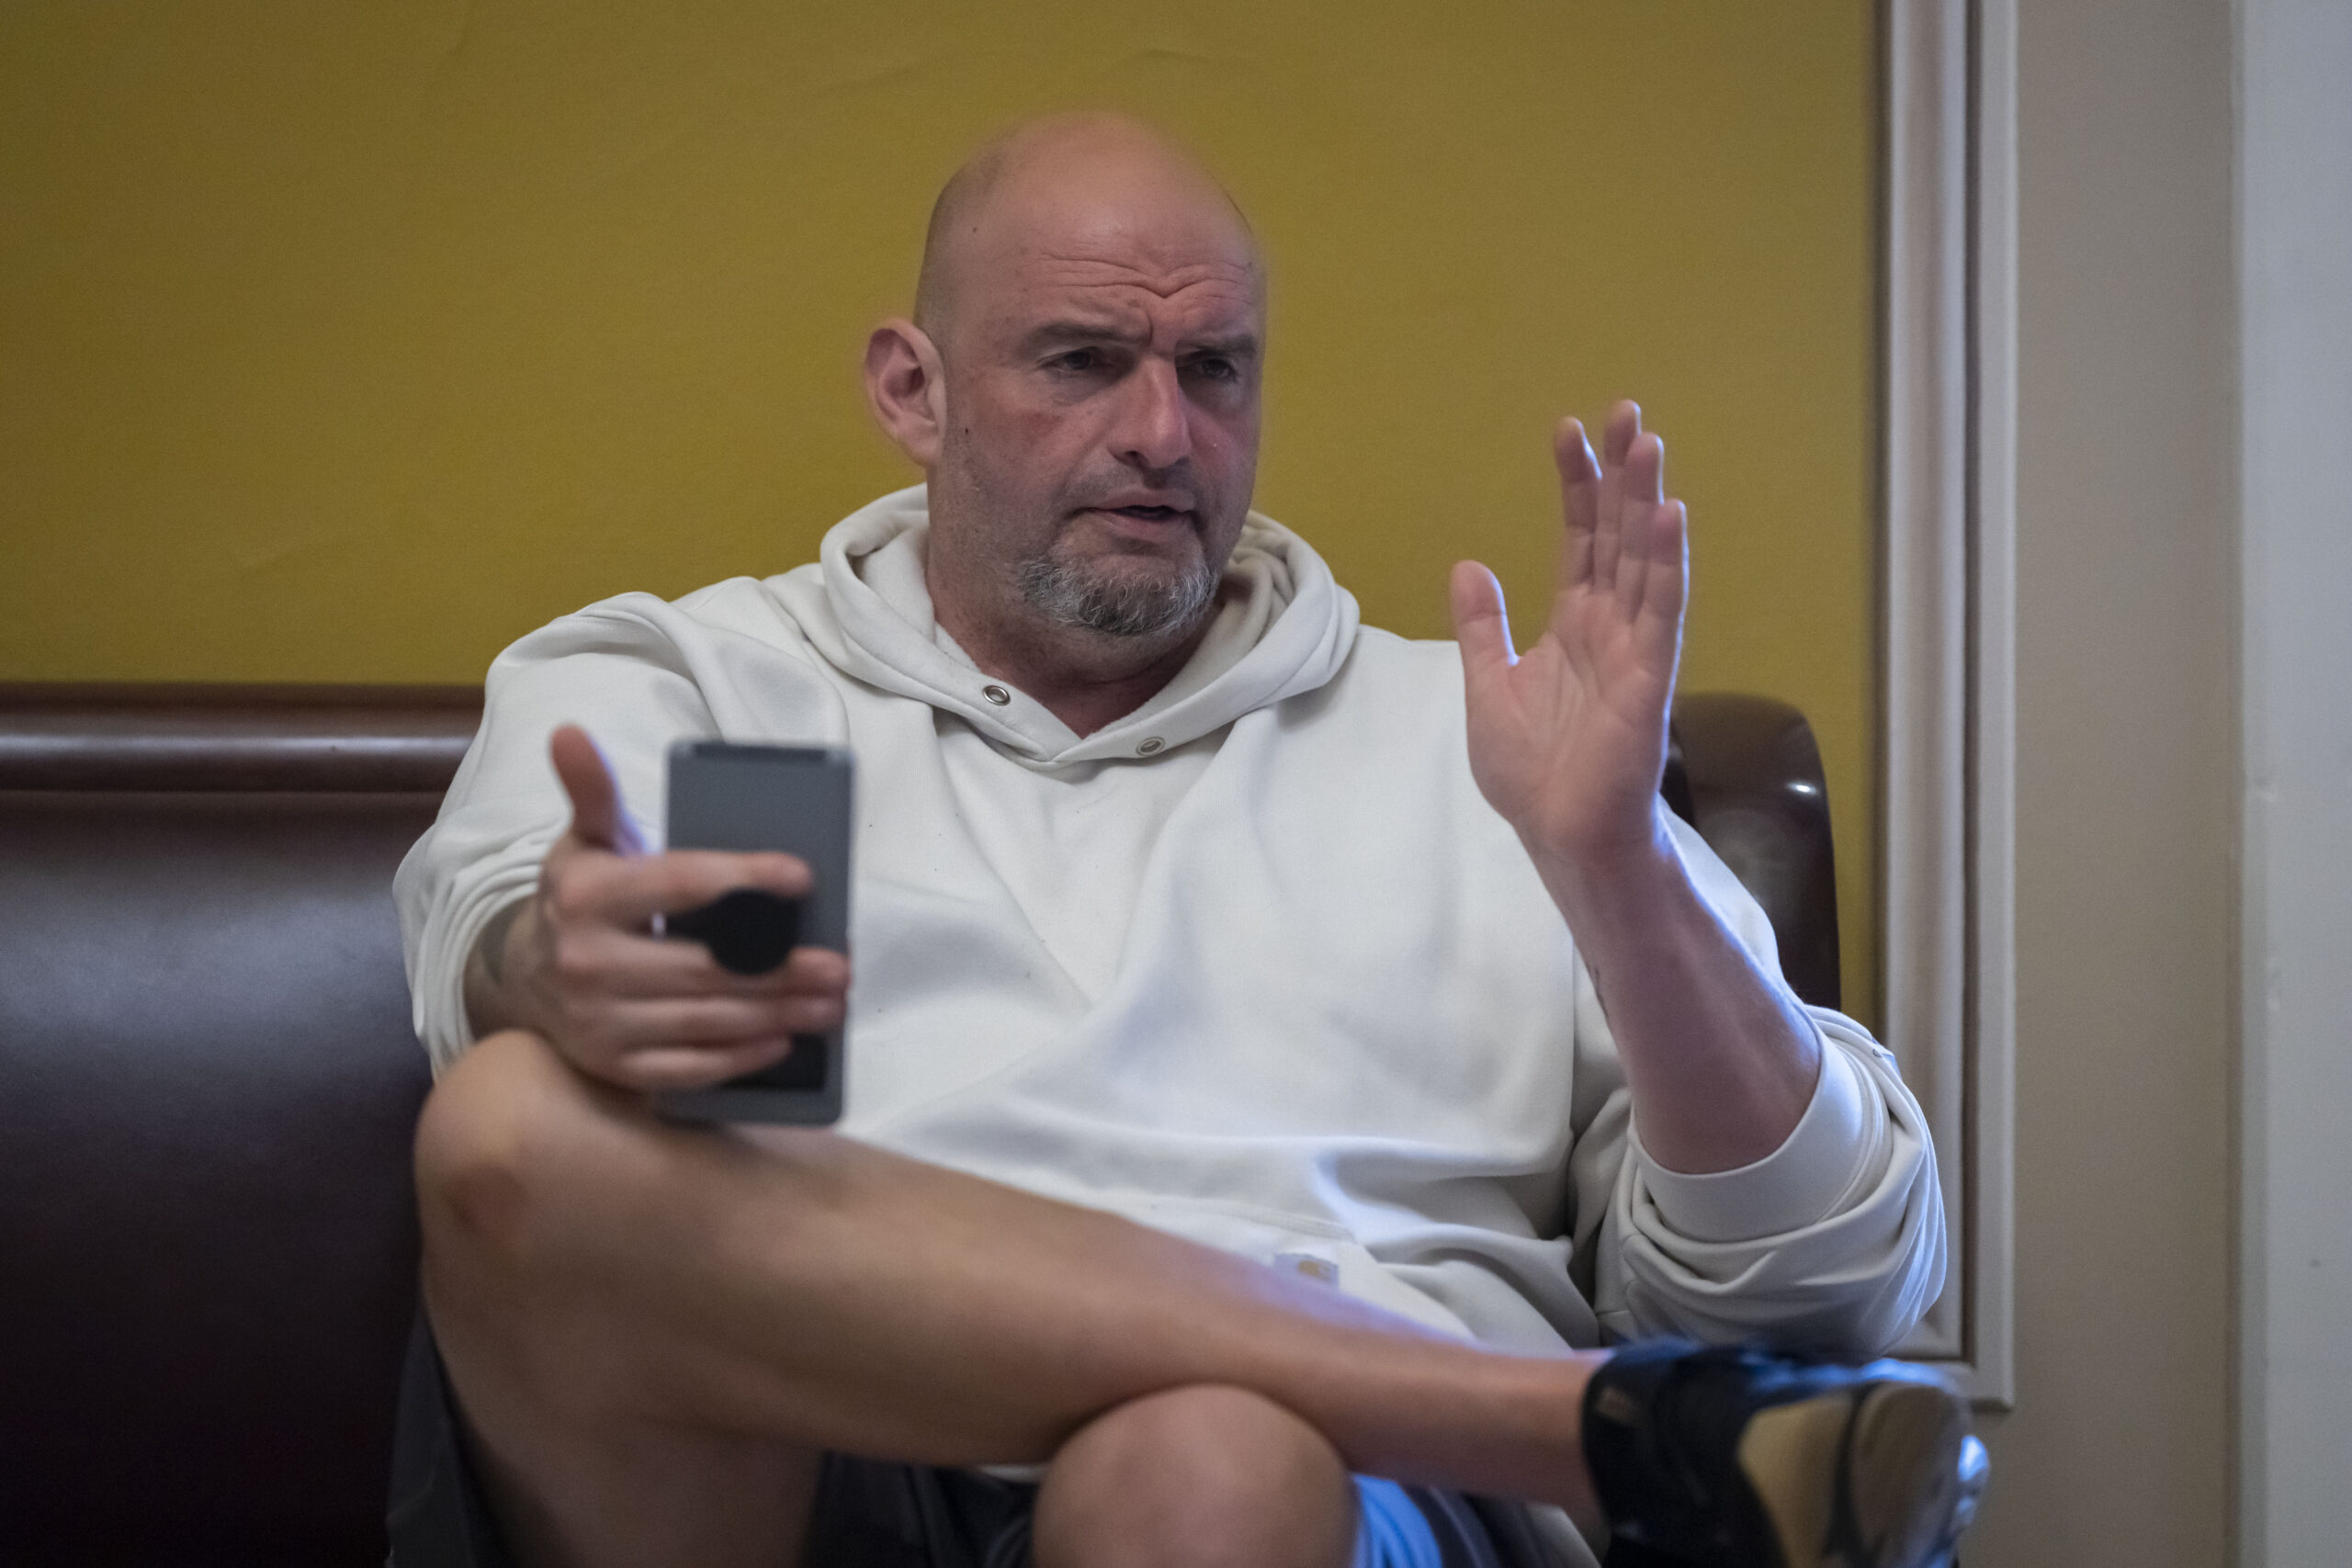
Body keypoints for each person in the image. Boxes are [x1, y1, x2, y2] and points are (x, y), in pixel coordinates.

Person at [390, 113, 1976, 1568]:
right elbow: (492, 968)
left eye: (1213, 369)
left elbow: (1825, 1287)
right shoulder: (680, 684)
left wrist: (1621, 873)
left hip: (1317, 1502)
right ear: (911, 392)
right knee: (503, 1124)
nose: (1161, 431)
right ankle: (1571, 1430)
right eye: (1082, 361)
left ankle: (1489, 1427)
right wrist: (554, 968)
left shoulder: (1488, 753)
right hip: (795, 1472)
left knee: (1204, 1461)